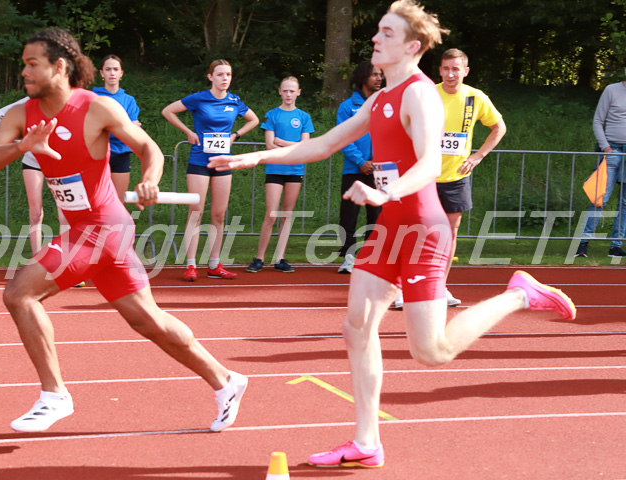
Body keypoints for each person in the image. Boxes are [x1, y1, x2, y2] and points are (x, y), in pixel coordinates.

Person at [208, 0, 576, 468]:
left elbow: (426, 163)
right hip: (391, 226)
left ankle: (520, 295)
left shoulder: (420, 94)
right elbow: (323, 144)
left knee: (432, 351)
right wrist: (254, 158)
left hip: (423, 227)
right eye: (377, 30)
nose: (375, 39)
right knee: (356, 326)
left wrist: (388, 193)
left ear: (413, 46)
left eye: (386, 32)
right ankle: (366, 442)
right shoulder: (380, 98)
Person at [0, 28, 247, 434]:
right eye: (23, 64)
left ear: (59, 66)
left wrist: (151, 178)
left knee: (20, 294)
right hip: (89, 230)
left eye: (32, 64)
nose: (24, 72)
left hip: (104, 227)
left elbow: (148, 148)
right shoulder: (21, 115)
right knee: (147, 321)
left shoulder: (96, 108)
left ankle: (54, 395)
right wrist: (22, 146)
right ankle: (226, 381)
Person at [392, 47, 507, 309]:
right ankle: (403, 288)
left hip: (456, 177)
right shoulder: (428, 93)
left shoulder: (475, 97)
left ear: (465, 71)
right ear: (440, 70)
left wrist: (478, 156)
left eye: (456, 69)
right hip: (424, 176)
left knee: (448, 234)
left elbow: (499, 127)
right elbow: (403, 124)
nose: (451, 74)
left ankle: (438, 287)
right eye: (446, 68)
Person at [162, 60, 259, 281]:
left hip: (223, 162)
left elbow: (254, 119)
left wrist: (236, 135)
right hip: (199, 162)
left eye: (228, 75)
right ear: (210, 77)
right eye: (220, 74)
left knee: (219, 214)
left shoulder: (234, 101)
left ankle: (215, 264)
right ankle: (190, 265)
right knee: (196, 211)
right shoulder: (199, 98)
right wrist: (188, 132)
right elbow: (168, 111)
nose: (225, 78)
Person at [246, 76, 314, 274]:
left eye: (292, 91)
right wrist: (292, 146)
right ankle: (259, 258)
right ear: (279, 91)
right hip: (275, 169)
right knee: (271, 214)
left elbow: (306, 146)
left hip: (295, 170)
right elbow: (269, 145)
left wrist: (282, 142)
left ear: (298, 92)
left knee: (286, 215)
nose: (288, 94)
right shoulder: (271, 115)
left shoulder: (304, 117)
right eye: (285, 91)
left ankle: (280, 258)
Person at [0, 98, 70, 257]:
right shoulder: (28, 103)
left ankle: (65, 261)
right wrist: (21, 139)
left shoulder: (65, 102)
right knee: (35, 213)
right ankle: (37, 259)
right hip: (33, 162)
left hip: (58, 163)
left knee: (65, 215)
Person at [335, 61, 384, 274]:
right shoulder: (347, 106)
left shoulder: (387, 104)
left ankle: (372, 258)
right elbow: (342, 137)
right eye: (374, 75)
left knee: (378, 215)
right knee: (349, 216)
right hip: (354, 170)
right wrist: (360, 161)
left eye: (380, 74)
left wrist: (380, 162)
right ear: (363, 77)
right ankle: (348, 256)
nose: (379, 78)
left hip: (381, 170)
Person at [575, 69, 626, 258]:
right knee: (599, 199)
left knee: (625, 202)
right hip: (612, 150)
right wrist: (606, 148)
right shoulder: (611, 90)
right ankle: (583, 244)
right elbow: (597, 120)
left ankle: (616, 246)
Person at [93, 54, 142, 203]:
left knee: (118, 203)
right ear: (102, 73)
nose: (112, 73)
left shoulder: (129, 100)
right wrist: (123, 127)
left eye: (116, 69)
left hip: (121, 155)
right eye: (108, 69)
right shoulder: (92, 97)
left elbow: (135, 129)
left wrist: (109, 128)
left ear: (121, 73)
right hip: (97, 155)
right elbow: (91, 128)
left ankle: (115, 228)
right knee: (96, 202)